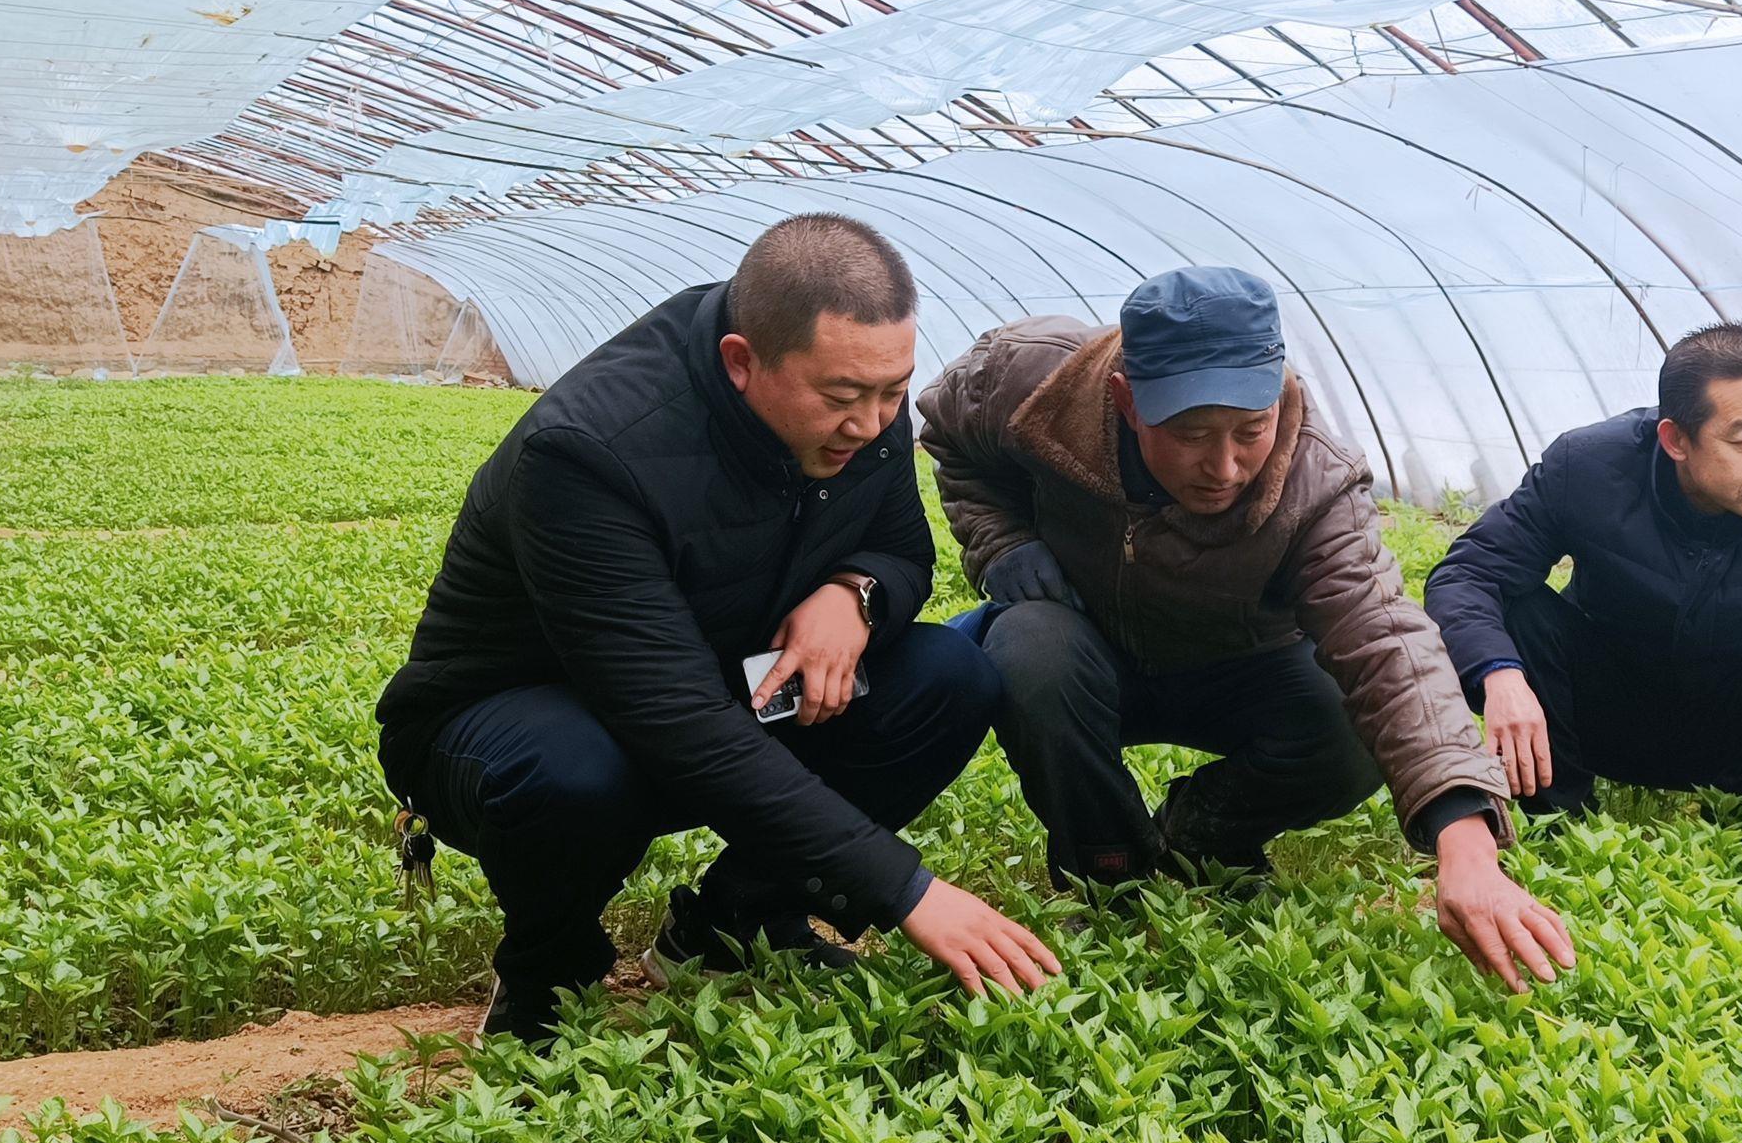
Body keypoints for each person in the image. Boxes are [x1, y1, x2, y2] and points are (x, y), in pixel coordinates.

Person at [377, 214, 1058, 1044]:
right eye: (843, 399)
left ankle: (733, 924)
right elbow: (675, 719)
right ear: (742, 362)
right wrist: (906, 889)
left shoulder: (862, 404)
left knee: (946, 676)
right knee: (573, 769)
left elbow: (902, 549)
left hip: (721, 684)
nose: (875, 423)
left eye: (893, 392)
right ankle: (547, 976)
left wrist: (856, 593)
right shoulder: (589, 451)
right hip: (516, 723)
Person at [918, 266, 1575, 993]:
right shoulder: (1031, 382)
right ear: (1127, 401)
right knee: (1029, 651)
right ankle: (1111, 867)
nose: (1224, 467)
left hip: (1237, 663)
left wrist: (1466, 842)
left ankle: (1205, 833)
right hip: (1084, 645)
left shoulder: (1315, 482)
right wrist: (1001, 543)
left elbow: (1387, 640)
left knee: (1349, 720)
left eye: (1250, 431)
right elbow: (947, 437)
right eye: (1191, 434)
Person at [1423, 322, 1742, 885]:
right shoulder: (1587, 467)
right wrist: (1501, 677)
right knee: (1517, 611)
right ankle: (1557, 825)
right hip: (1608, 710)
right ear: (1675, 440)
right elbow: (1468, 574)